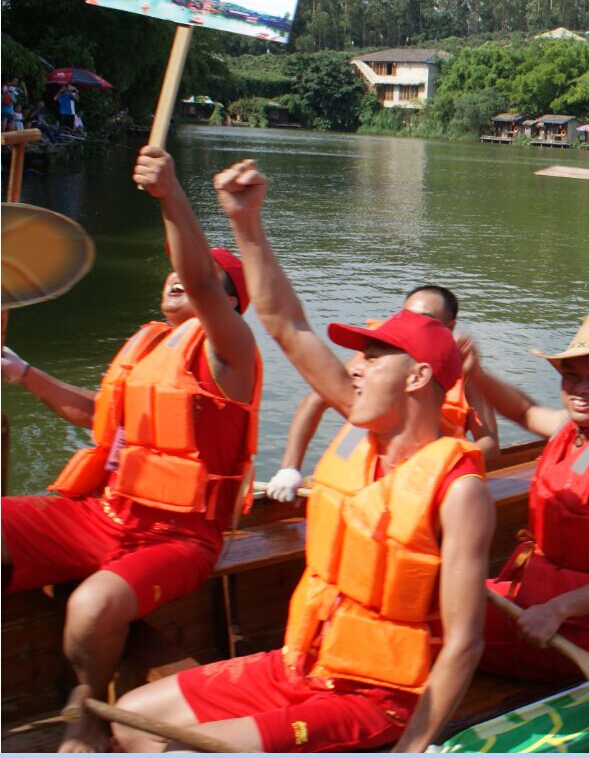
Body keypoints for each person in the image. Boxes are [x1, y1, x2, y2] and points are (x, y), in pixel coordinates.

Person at [111, 159, 495, 753]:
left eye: (373, 357)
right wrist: (247, 223)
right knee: (132, 717)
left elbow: (465, 642)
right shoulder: (361, 421)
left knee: (186, 749)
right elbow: (287, 323)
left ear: (418, 376)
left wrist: (412, 747)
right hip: (300, 664)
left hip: (374, 699)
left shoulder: (460, 488)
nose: (355, 368)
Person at [0, 145, 261, 753]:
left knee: (91, 607)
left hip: (177, 539)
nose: (181, 278)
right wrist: (22, 372)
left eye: (206, 276)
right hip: (103, 515)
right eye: (175, 274)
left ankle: (89, 718)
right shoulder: (146, 346)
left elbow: (198, 276)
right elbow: (99, 420)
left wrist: (172, 196)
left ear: (229, 301)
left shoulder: (230, 354)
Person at [465, 314, 589, 680]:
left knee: (432, 621)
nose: (580, 388)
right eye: (572, 376)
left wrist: (557, 610)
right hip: (530, 600)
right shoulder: (573, 429)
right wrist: (475, 372)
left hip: (569, 635)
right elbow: (524, 410)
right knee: (436, 586)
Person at [264, 284, 499, 502]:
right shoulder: (374, 360)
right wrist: (289, 469)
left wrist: (440, 468)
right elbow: (315, 401)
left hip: (417, 490)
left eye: (426, 319)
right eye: (407, 316)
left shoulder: (466, 373)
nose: (413, 325)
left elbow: (489, 442)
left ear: (450, 328)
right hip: (353, 477)